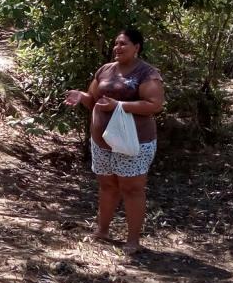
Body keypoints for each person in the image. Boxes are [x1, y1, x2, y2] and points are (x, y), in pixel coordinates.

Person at [64, 28, 164, 255]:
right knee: (107, 185)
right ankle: (102, 230)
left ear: (137, 47)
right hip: (102, 142)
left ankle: (133, 240)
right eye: (116, 44)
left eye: (123, 44)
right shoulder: (105, 70)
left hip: (134, 142)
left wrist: (119, 105)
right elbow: (94, 101)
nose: (117, 48)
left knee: (132, 189)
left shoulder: (147, 73)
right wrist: (81, 96)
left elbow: (155, 104)